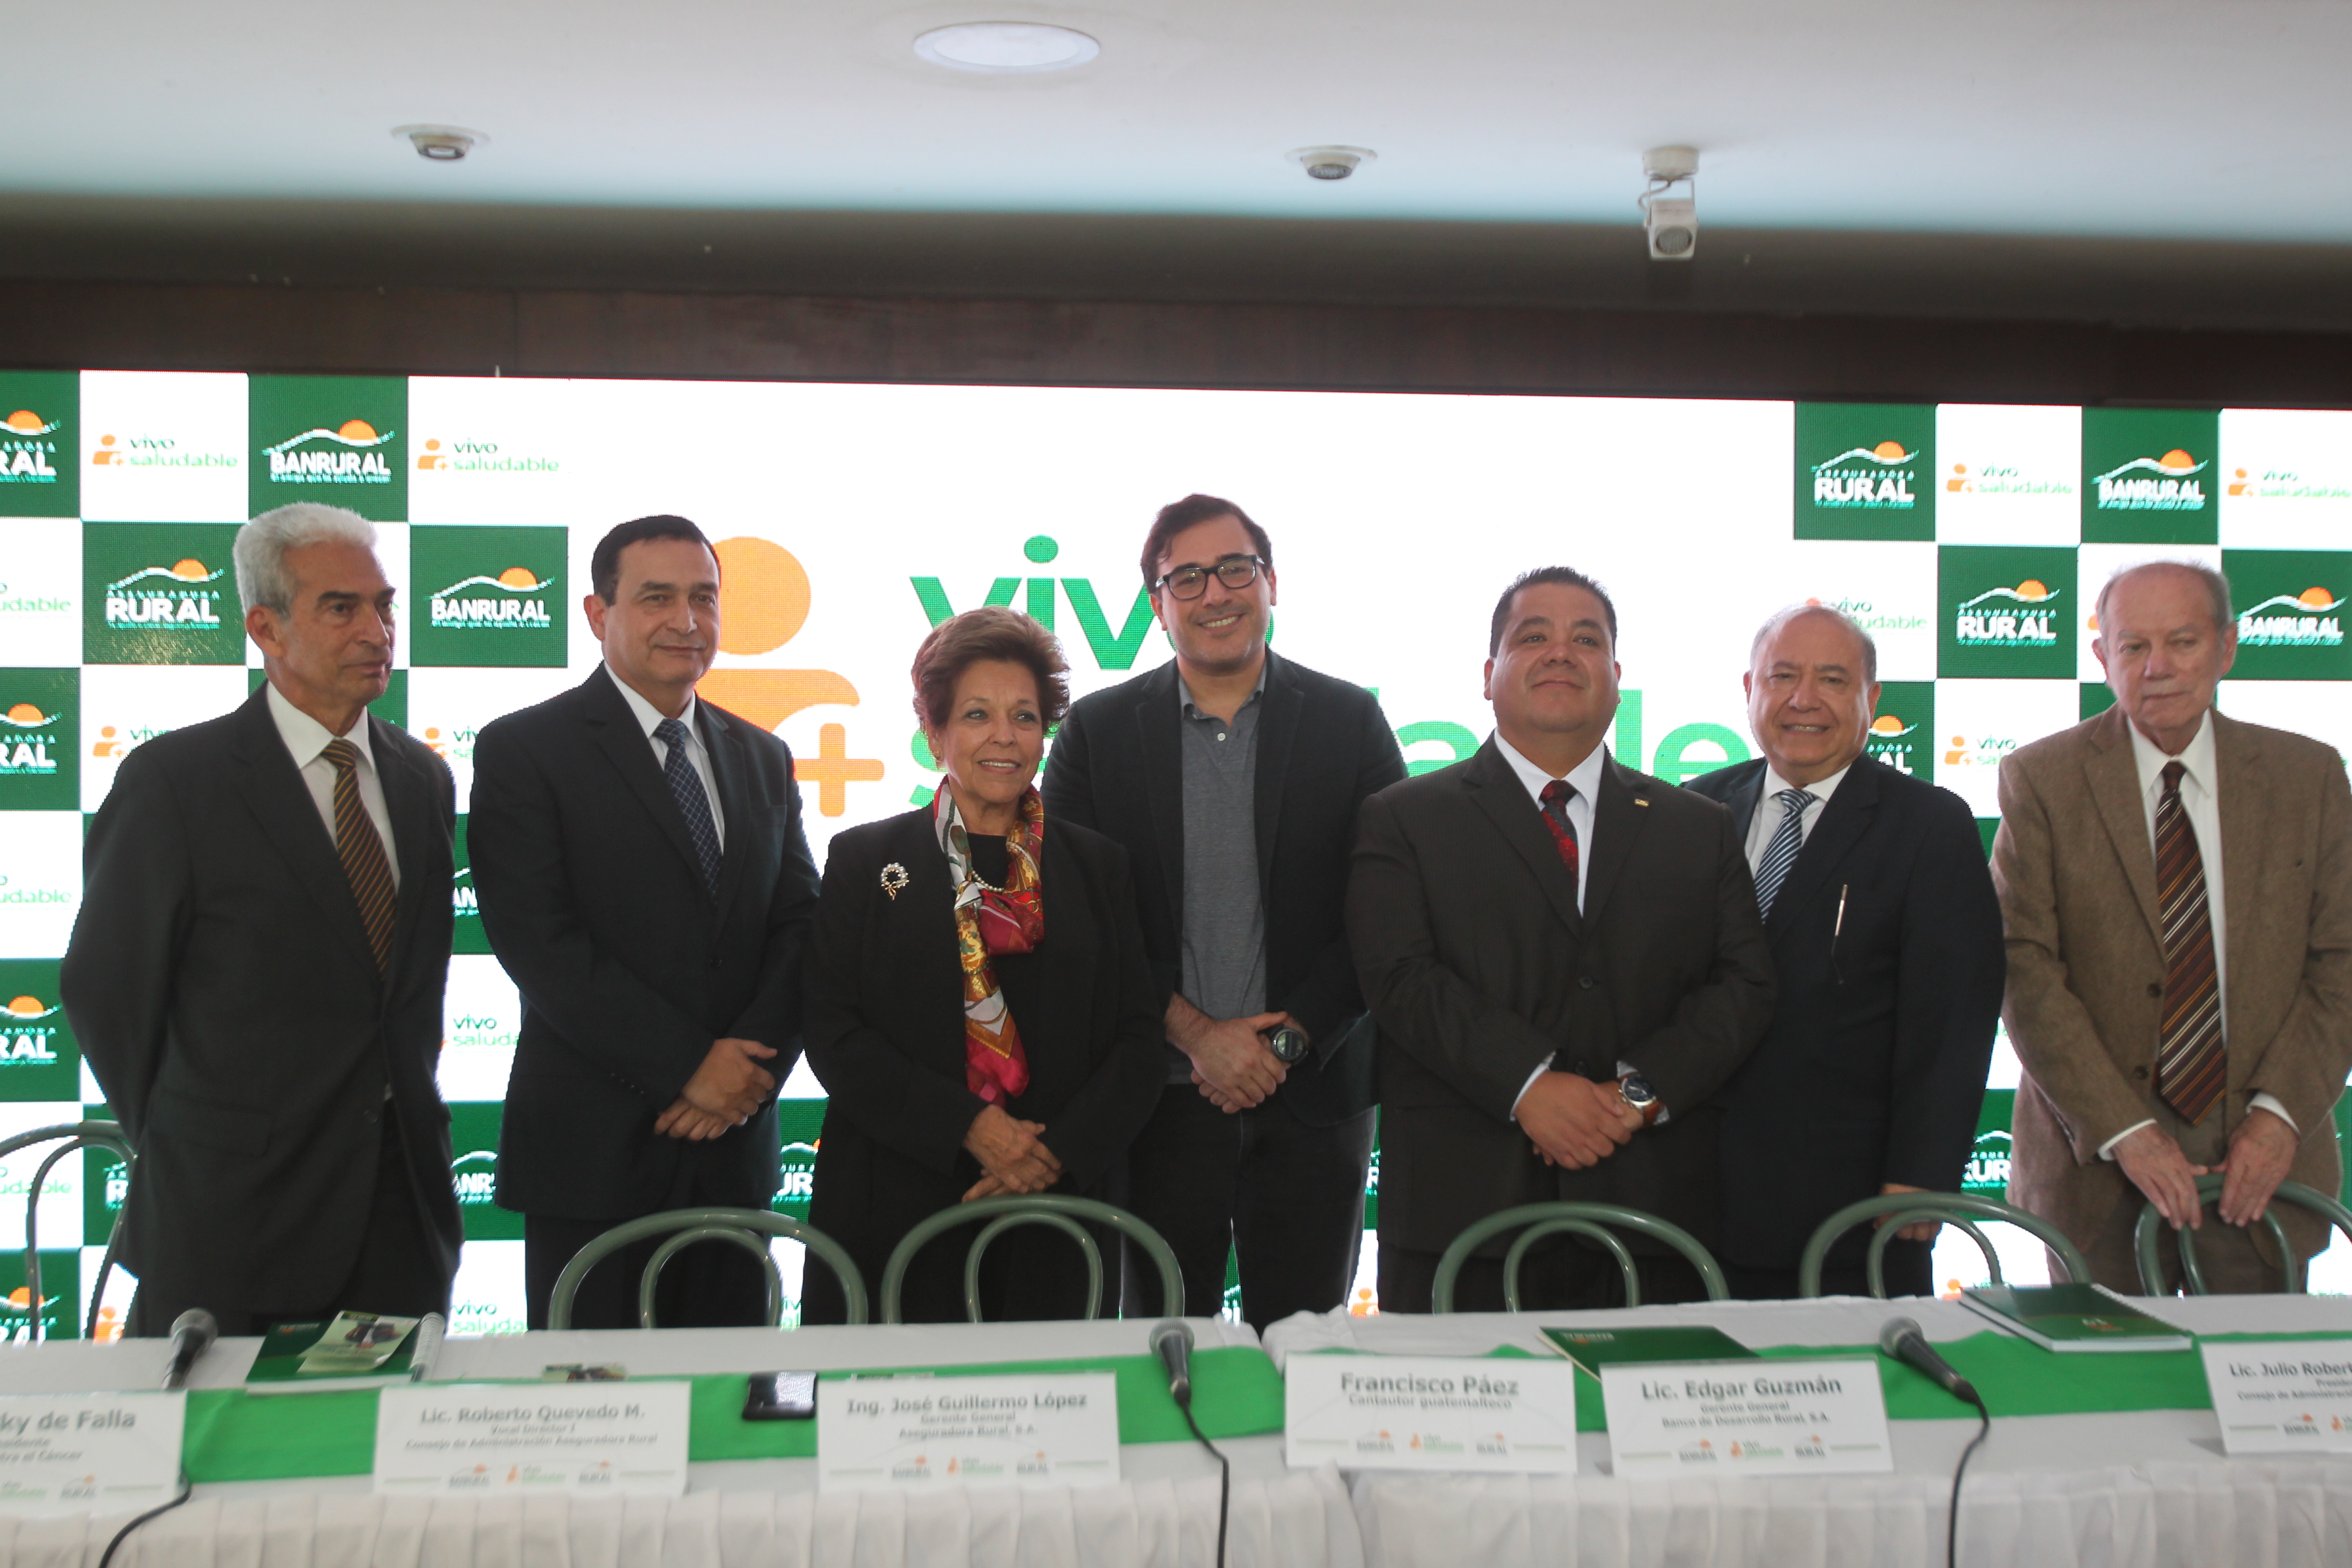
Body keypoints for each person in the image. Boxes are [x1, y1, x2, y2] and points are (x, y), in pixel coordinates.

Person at [61, 503, 462, 1335]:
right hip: (230, 1220)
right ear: (265, 628)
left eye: (384, 605)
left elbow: (402, 1000)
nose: (377, 630)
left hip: (401, 1217)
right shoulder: (176, 782)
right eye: (341, 608)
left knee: (382, 1461)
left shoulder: (422, 780)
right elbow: (108, 995)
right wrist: (205, 1134)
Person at [1347, 566, 1775, 1313]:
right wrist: (1530, 1087)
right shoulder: (1405, 818)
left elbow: (1744, 986)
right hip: (1464, 1219)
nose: (1560, 653)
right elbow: (1401, 980)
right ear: (1489, 675)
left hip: (1653, 1215)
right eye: (1531, 637)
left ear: (1616, 676)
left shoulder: (1695, 827)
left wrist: (1637, 1096)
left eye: (1587, 638)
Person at [1043, 494, 1405, 1328]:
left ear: (1271, 582)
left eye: (1236, 569)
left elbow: (1384, 912)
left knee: (1308, 1351)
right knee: (1167, 1348)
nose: (1216, 594)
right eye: (1188, 578)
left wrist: (1280, 1044)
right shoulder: (1097, 732)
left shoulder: (1350, 721)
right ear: (1157, 605)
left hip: (1313, 1096)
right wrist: (1200, 1038)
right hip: (1157, 1101)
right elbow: (1081, 924)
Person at [469, 514, 821, 1329]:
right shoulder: (526, 749)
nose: (686, 621)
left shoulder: (761, 753)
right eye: (656, 597)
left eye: (704, 597)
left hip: (733, 1152)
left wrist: (748, 1077)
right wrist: (689, 1067)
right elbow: (539, 944)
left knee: (734, 1415)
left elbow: (800, 927)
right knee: (594, 1421)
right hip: (592, 1159)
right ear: (599, 615)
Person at [1994, 561, 2352, 1292]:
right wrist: (2125, 1132)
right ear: (2101, 657)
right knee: (2098, 1403)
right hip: (2091, 1180)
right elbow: (2022, 967)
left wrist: (2278, 1117)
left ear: (2227, 647)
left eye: (2183, 643)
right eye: (2133, 647)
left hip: (2262, 1178)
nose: (2157, 668)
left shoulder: (2308, 777)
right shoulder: (2041, 780)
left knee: (2255, 1400)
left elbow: (2342, 961)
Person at [800, 607, 1164, 1323]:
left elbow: (1139, 1041)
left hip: (1060, 1206)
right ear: (934, 732)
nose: (1004, 736)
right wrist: (974, 1129)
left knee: (1056, 1423)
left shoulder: (1100, 867)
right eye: (976, 715)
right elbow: (834, 1032)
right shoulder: (866, 861)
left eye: (1025, 717)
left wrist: (1051, 1155)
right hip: (901, 1199)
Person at [1686, 605, 2003, 1298]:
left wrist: (1924, 1170)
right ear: (1750, 690)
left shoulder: (1930, 825)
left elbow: (1955, 1016)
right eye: (1784, 676)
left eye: (1832, 679)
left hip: (1856, 1207)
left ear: (1872, 700)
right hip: (1694, 1199)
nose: (1804, 700)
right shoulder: (1695, 808)